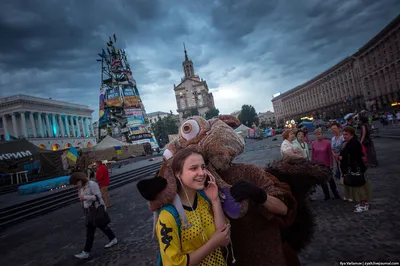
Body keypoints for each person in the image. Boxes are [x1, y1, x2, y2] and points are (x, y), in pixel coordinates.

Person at [156, 148, 230, 265]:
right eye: (193, 168)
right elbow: (175, 263)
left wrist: (215, 200)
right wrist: (212, 244)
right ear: (178, 173)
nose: (202, 173)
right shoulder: (168, 216)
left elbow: (224, 236)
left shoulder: (205, 199)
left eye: (203, 167)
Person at [69, 172, 117, 259]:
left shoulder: (92, 184)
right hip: (89, 211)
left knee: (92, 230)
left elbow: (98, 197)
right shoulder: (81, 187)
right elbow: (82, 197)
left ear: (80, 180)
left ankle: (86, 252)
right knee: (100, 227)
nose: (75, 186)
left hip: (95, 210)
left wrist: (85, 198)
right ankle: (113, 239)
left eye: (76, 183)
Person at [339, 126, 371, 212]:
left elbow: (352, 155)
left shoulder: (353, 143)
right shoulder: (349, 142)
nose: (344, 136)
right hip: (355, 168)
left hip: (356, 168)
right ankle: (362, 203)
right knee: (358, 186)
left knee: (359, 187)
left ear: (351, 134)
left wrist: (341, 156)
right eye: (344, 134)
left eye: (346, 134)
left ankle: (363, 204)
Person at [312, 128, 341, 200]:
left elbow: (330, 155)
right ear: (315, 135)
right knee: (322, 181)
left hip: (326, 164)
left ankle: (335, 193)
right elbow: (313, 155)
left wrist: (331, 165)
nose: (319, 136)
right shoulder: (313, 143)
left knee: (331, 180)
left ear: (322, 134)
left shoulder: (327, 143)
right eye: (317, 134)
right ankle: (326, 195)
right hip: (318, 165)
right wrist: (313, 165)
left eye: (320, 134)